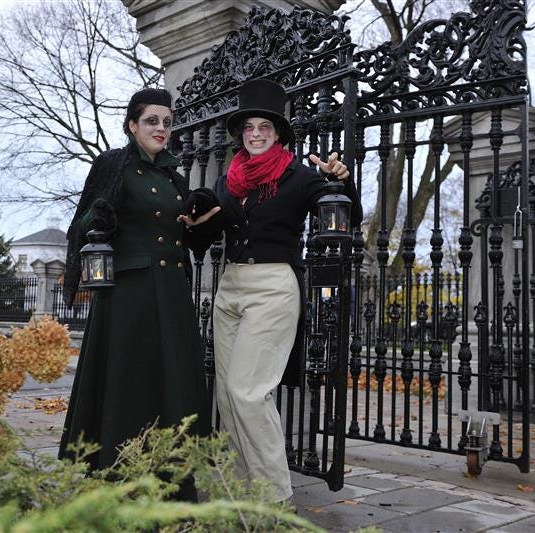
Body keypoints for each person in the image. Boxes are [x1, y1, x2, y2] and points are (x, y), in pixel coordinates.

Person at [180, 79, 363, 505]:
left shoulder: (299, 176)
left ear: (279, 133)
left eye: (265, 125)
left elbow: (344, 214)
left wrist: (341, 180)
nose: (256, 133)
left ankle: (274, 496)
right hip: (230, 289)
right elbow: (206, 235)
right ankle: (244, 488)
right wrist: (194, 221)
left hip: (274, 287)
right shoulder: (231, 181)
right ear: (241, 133)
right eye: (249, 126)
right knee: (227, 395)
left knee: (248, 391)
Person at [59, 88, 218, 501]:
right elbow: (84, 226)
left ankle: (172, 478)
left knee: (172, 382)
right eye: (152, 121)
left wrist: (199, 215)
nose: (161, 129)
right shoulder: (113, 165)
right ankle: (119, 475)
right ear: (132, 125)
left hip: (171, 294)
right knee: (129, 381)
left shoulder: (173, 176)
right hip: (127, 296)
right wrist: (101, 217)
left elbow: (187, 236)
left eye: (167, 122)